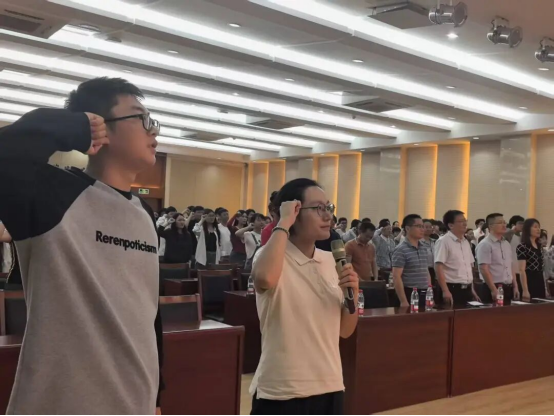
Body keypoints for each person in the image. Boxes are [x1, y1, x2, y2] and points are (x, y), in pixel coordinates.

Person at [0, 77, 163, 414]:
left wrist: (157, 395)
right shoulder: (51, 195)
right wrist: (70, 125)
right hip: (61, 403)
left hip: (135, 401)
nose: (154, 130)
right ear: (99, 125)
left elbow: (148, 311)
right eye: (141, 118)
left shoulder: (144, 213)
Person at [250, 178, 359, 415]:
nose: (328, 216)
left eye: (329, 207)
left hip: (330, 384)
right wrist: (283, 222)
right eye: (318, 208)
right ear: (294, 212)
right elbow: (265, 278)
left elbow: (345, 330)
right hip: (283, 389)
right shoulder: (270, 257)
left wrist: (353, 295)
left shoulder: (331, 261)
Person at [435, 211, 480, 307]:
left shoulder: (465, 242)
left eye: (465, 221)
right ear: (451, 225)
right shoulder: (443, 241)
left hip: (467, 289)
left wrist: (472, 289)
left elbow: (468, 267)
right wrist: (445, 290)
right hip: (451, 288)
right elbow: (438, 267)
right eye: (461, 221)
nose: (465, 224)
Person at [476, 213, 520, 305]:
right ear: (491, 226)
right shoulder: (485, 244)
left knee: (507, 313)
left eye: (504, 222)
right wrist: (493, 289)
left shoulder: (506, 244)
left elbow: (510, 266)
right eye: (500, 223)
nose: (504, 225)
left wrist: (515, 286)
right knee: (493, 313)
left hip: (507, 287)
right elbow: (484, 269)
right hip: (493, 287)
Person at [392, 215, 432, 310]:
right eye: (418, 226)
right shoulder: (401, 249)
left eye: (422, 226)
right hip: (409, 293)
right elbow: (396, 276)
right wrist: (403, 301)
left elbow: (426, 271)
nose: (422, 229)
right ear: (407, 228)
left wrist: (430, 294)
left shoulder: (424, 247)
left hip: (424, 292)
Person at [517, 219, 546, 301]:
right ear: (527, 229)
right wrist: (525, 290)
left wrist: (546, 288)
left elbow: (542, 268)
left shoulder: (539, 246)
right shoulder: (522, 246)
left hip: (539, 279)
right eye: (535, 227)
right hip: (529, 279)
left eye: (539, 227)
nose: (538, 229)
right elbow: (521, 270)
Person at [505, 215, 525, 281]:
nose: (522, 225)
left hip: (521, 268)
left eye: (523, 223)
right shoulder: (509, 235)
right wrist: (512, 230)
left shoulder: (522, 237)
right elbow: (504, 236)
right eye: (520, 223)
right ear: (513, 225)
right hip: (511, 268)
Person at [421, 219, 437, 285]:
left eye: (430, 227)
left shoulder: (434, 242)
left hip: (433, 270)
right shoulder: (418, 242)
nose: (428, 229)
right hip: (423, 271)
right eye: (426, 227)